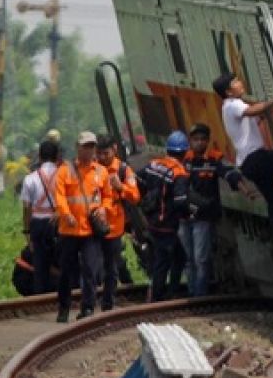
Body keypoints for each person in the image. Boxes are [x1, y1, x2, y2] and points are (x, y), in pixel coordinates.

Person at [214, 74, 273, 249]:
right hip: (255, 158)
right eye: (236, 82)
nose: (241, 83)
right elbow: (252, 111)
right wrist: (272, 101)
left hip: (248, 164)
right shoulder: (233, 105)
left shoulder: (231, 107)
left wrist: (264, 110)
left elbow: (256, 117)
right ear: (228, 91)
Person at [182, 122, 250, 296]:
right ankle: (192, 292)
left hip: (203, 218)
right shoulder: (184, 160)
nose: (199, 143)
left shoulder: (214, 159)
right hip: (183, 217)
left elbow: (230, 173)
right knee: (189, 259)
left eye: (202, 139)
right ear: (190, 141)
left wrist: (244, 189)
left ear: (207, 141)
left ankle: (200, 295)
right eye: (195, 139)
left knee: (200, 258)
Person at [53, 131, 109, 322]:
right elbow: (59, 195)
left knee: (90, 270)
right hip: (69, 230)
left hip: (90, 231)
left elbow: (107, 196)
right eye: (85, 146)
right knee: (66, 272)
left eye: (92, 146)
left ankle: (87, 308)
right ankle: (63, 308)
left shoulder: (101, 172)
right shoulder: (65, 170)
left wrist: (104, 209)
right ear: (78, 147)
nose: (89, 150)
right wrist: (66, 214)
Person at [138, 131, 191, 302]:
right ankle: (158, 296)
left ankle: (170, 291)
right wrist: (190, 213)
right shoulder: (179, 173)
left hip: (153, 221)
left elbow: (137, 178)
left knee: (178, 256)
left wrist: (145, 201)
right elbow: (181, 202)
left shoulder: (154, 164)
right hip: (167, 224)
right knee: (164, 261)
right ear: (184, 153)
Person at [96, 134, 140, 311]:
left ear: (114, 149)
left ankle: (108, 300)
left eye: (105, 153)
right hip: (94, 223)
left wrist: (121, 187)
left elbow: (135, 196)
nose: (102, 157)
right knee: (94, 262)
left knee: (111, 264)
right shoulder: (93, 169)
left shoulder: (123, 170)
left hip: (114, 225)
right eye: (99, 153)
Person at [20, 139, 61, 294]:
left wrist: (27, 232)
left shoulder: (30, 178)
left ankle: (40, 296)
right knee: (60, 261)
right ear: (57, 156)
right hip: (58, 223)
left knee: (39, 263)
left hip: (38, 224)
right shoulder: (63, 177)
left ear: (39, 156)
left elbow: (27, 208)